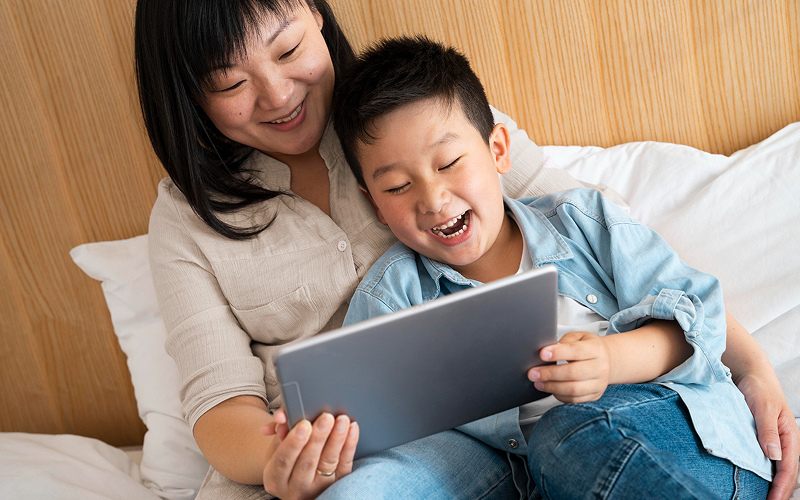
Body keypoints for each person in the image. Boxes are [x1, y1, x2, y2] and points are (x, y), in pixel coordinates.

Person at [131, 0, 798, 498]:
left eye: (286, 50)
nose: (277, 95)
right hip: (371, 452)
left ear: (317, 18)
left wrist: (751, 365)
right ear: (188, 94)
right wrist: (284, 461)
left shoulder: (431, 116)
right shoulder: (190, 221)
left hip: (580, 416)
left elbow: (625, 256)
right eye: (229, 82)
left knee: (582, 438)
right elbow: (219, 402)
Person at [328, 35, 783, 499]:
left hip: (676, 440)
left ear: (498, 150)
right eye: (399, 187)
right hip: (538, 476)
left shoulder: (583, 221)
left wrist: (608, 361)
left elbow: (697, 323)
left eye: (448, 163)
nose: (432, 199)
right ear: (375, 207)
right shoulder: (393, 294)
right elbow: (368, 424)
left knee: (566, 436)